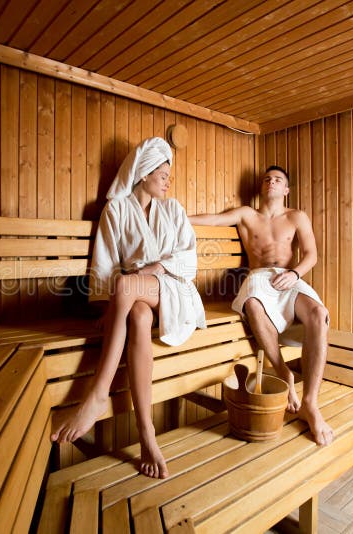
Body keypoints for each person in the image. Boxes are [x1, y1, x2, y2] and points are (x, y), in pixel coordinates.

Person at [50, 137, 206, 478]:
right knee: (136, 314)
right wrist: (113, 308)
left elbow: (188, 259)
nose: (168, 180)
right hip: (136, 300)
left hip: (175, 290)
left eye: (169, 174)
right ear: (143, 172)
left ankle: (98, 395)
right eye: (162, 173)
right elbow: (104, 262)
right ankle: (147, 433)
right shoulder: (116, 210)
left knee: (126, 284)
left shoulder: (173, 210)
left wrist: (151, 271)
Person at [189, 166, 334, 446]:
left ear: (286, 190)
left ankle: (310, 404)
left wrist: (295, 273)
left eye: (278, 180)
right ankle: (283, 372)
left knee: (318, 313)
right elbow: (215, 220)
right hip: (258, 277)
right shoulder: (247, 215)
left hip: (288, 278)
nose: (271, 182)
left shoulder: (296, 217)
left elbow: (312, 254)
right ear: (261, 187)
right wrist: (172, 214)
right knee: (253, 305)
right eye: (267, 179)